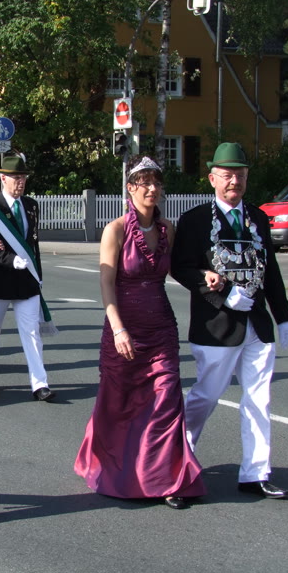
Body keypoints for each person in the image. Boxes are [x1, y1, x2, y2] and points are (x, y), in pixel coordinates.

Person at [75, 156, 206, 509]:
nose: (152, 189)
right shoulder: (115, 230)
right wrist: (118, 329)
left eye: (157, 182)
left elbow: (179, 269)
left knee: (166, 402)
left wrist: (205, 276)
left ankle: (167, 480)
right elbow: (106, 283)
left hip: (161, 328)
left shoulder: (168, 229)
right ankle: (115, 469)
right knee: (119, 404)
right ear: (130, 188)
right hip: (124, 328)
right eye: (145, 182)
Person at [171, 142, 288, 499]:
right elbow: (181, 268)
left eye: (240, 175)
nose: (234, 181)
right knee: (207, 396)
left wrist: (283, 316)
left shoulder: (258, 217)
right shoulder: (195, 220)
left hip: (257, 323)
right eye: (227, 175)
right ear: (212, 179)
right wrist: (221, 295)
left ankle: (255, 472)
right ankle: (177, 460)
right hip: (217, 325)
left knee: (259, 398)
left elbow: (270, 271)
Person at [0, 155, 56, 400]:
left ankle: (39, 384)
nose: (21, 182)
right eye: (16, 178)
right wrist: (9, 259)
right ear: (3, 178)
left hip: (27, 281)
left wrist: (38, 274)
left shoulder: (31, 205)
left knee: (32, 334)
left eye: (23, 178)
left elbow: (34, 244)